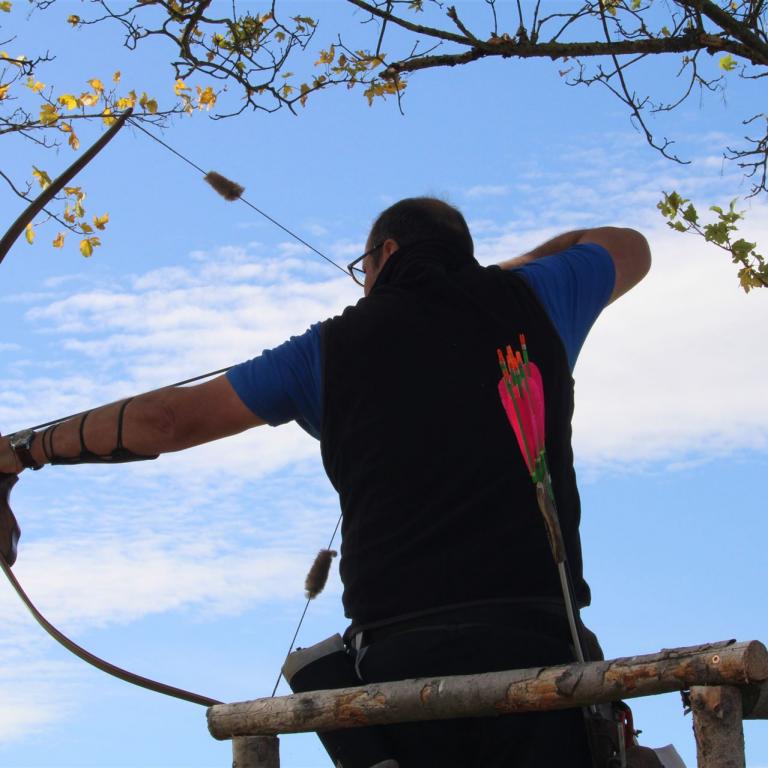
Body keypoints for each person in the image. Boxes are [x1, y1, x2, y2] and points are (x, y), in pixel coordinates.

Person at [0, 197, 651, 767]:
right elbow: (628, 245)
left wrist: (22, 451)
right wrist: (494, 275)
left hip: (400, 665)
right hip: (541, 647)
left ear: (385, 253)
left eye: (364, 268)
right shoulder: (538, 298)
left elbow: (166, 420)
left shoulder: (328, 350)